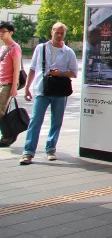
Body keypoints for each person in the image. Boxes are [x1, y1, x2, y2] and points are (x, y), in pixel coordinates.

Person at [20, 22, 79, 165]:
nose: (59, 35)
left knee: (56, 122)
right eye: (56, 32)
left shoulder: (68, 52)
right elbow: (33, 68)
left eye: (62, 33)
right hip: (42, 89)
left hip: (60, 91)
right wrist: (27, 87)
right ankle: (28, 152)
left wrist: (60, 73)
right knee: (35, 121)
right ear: (51, 32)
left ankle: (51, 148)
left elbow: (74, 73)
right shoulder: (41, 48)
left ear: (65, 34)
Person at [0, 21, 22, 147]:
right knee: (2, 111)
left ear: (11, 33)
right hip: (1, 82)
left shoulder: (15, 48)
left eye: (4, 31)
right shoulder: (3, 48)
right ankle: (7, 135)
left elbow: (16, 69)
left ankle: (8, 135)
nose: (1, 34)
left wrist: (14, 87)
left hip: (7, 84)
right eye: (0, 31)